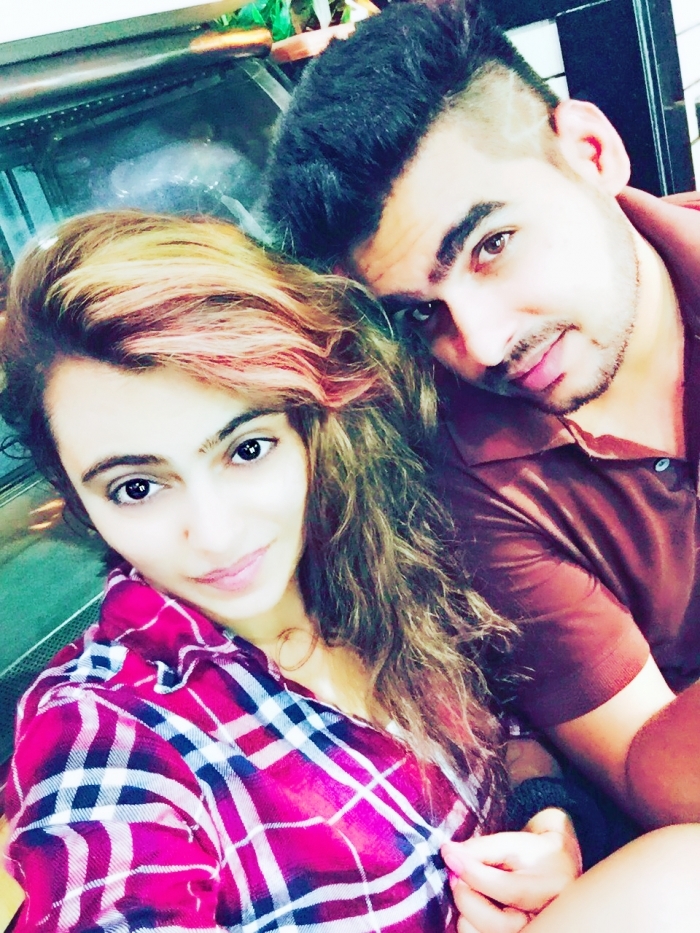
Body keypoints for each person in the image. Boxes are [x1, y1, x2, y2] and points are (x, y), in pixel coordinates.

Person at [2, 211, 700, 933]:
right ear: (75, 497)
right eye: (137, 487)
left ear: (309, 422)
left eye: (247, 450)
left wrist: (546, 824)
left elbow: (510, 736)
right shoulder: (104, 733)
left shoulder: (387, 564)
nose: (215, 534)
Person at [265, 0, 700, 830]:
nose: (485, 343)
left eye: (491, 245)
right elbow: (653, 778)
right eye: (421, 312)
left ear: (592, 152)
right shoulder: (473, 482)